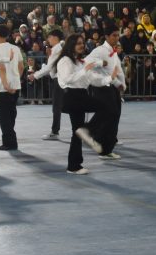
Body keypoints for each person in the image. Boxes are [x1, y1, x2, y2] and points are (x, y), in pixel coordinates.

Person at [56, 33, 120, 175]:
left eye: (82, 43)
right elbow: (67, 79)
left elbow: (93, 78)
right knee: (107, 108)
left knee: (77, 133)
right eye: (78, 43)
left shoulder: (80, 62)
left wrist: (110, 78)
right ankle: (86, 132)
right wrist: (84, 70)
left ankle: (74, 166)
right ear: (71, 45)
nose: (81, 45)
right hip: (72, 96)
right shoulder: (65, 60)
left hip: (81, 95)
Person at [85, 26, 125, 160]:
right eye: (114, 35)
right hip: (101, 86)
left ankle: (106, 148)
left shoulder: (113, 52)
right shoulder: (100, 51)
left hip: (112, 86)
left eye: (118, 35)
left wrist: (121, 84)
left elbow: (117, 70)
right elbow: (87, 63)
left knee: (115, 115)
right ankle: (89, 132)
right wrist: (100, 65)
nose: (117, 38)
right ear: (107, 37)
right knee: (110, 113)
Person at [0, 25, 25, 151]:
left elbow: (1, 68)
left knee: (4, 117)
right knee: (11, 113)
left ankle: (10, 142)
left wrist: (5, 84)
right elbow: (21, 67)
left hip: (4, 87)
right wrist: (16, 80)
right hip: (16, 85)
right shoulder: (15, 48)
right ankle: (10, 140)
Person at [31, 29, 64, 140]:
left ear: (55, 37)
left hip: (59, 80)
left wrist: (34, 75)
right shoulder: (57, 49)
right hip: (60, 79)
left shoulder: (57, 49)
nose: (48, 40)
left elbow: (49, 68)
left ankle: (55, 132)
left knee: (57, 107)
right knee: (61, 107)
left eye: (49, 37)